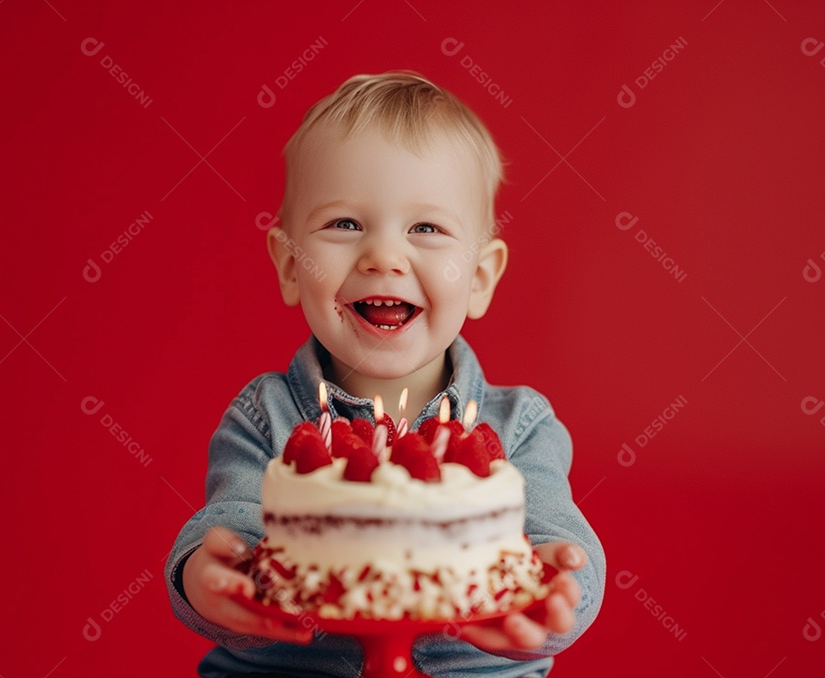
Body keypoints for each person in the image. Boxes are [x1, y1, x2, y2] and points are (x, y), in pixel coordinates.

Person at [165, 71, 605, 677]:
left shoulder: (519, 425)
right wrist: (204, 579)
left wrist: (557, 590)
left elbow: (561, 546)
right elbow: (228, 526)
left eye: (425, 228)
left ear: (479, 277)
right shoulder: (265, 415)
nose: (384, 257)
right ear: (290, 266)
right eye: (345, 224)